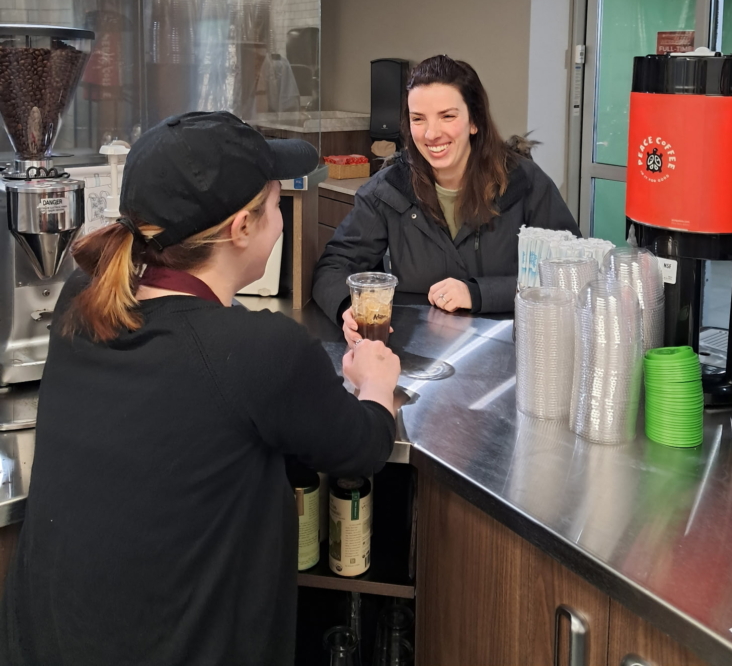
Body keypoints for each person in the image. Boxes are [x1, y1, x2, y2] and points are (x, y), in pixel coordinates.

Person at [0, 112, 400, 666]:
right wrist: (376, 382)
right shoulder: (261, 351)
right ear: (241, 228)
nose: (281, 221)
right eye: (277, 205)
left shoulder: (82, 294)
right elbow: (363, 446)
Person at [313, 56, 580, 342]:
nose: (431, 134)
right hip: (417, 352)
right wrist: (347, 307)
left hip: (517, 350)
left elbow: (571, 275)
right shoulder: (388, 189)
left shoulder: (525, 182)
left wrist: (479, 293)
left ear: (474, 121)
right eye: (418, 119)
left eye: (447, 116)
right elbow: (333, 267)